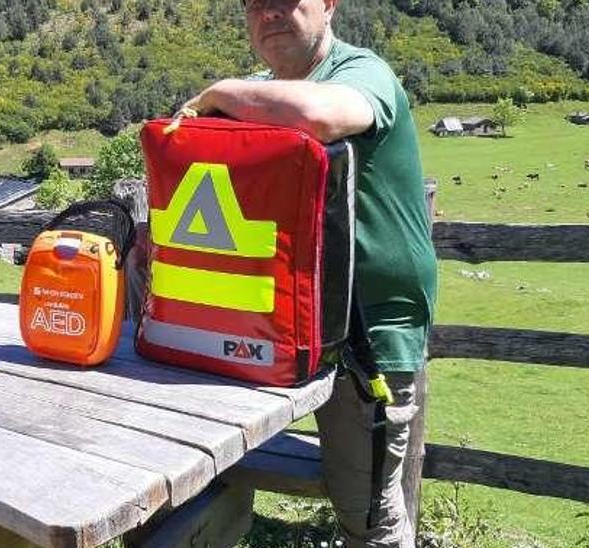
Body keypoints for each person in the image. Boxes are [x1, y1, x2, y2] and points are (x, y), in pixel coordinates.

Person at [178, 0, 437, 546]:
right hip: (269, 325)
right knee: (201, 481)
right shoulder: (257, 93)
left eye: (285, 1)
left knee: (369, 518)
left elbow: (320, 116)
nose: (268, 13)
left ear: (328, 5)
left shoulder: (364, 72)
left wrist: (221, 93)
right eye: (254, 4)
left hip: (364, 341)